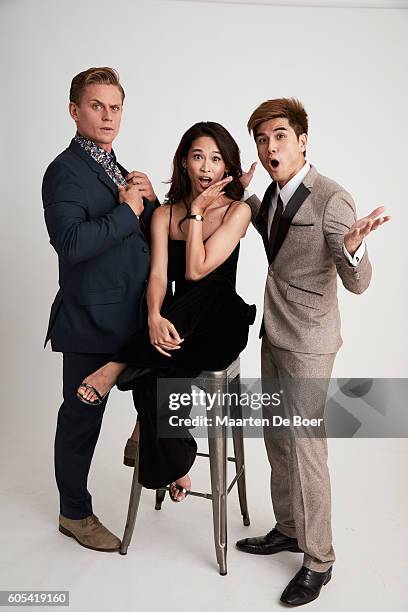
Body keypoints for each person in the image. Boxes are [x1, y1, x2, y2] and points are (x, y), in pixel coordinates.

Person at [236, 98, 390, 606]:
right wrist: (244, 197)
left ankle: (318, 560)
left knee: (306, 448)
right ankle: (288, 527)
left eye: (279, 136)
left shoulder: (331, 198)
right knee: (277, 441)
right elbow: (272, 236)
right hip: (273, 336)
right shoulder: (275, 196)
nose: (270, 146)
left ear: (303, 140)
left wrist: (354, 246)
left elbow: (359, 283)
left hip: (310, 344)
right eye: (262, 139)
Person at [76, 121, 256, 501]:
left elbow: (196, 270)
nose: (206, 167)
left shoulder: (237, 212)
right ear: (184, 163)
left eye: (216, 159)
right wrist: (155, 316)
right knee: (152, 372)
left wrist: (196, 213)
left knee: (215, 290)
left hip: (220, 326)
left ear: (227, 168)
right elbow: (158, 276)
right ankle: (177, 459)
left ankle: (118, 364)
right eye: (198, 157)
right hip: (176, 325)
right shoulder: (162, 215)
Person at [42, 67, 159, 552]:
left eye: (115, 107)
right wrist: (129, 211)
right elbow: (70, 244)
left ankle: (148, 441)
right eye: (97, 106)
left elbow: (137, 234)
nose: (108, 116)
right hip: (91, 322)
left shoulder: (114, 164)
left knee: (170, 384)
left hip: (134, 316)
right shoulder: (64, 171)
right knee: (80, 421)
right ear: (75, 111)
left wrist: (151, 203)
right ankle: (74, 513)